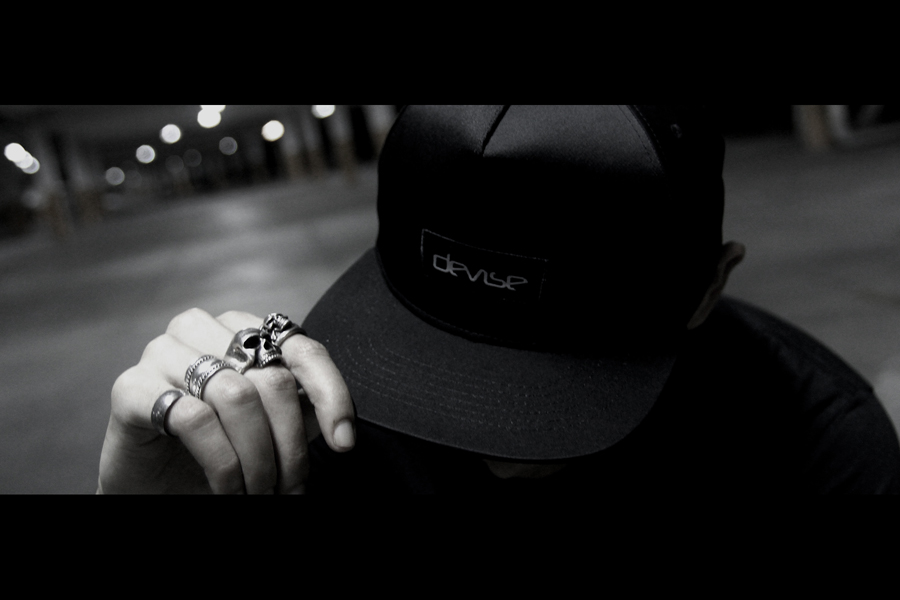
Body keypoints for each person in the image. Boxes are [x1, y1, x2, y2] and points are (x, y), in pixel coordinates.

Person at [98, 105, 900, 494]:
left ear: (709, 287)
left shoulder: (817, 448)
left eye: (552, 376)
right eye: (437, 351)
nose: (488, 445)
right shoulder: (316, 422)